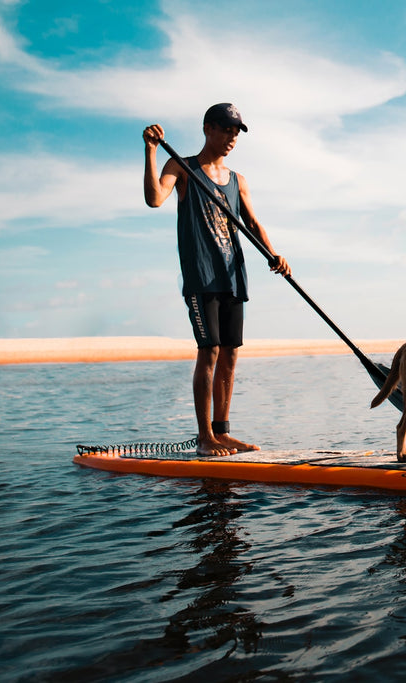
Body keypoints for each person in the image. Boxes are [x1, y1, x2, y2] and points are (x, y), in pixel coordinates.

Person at [142, 103, 290, 457]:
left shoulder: (238, 180)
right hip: (201, 275)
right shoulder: (182, 166)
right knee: (208, 351)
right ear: (209, 128)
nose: (232, 138)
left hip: (233, 274)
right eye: (226, 130)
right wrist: (150, 151)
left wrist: (274, 255)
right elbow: (154, 199)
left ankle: (223, 432)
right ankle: (204, 436)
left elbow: (252, 223)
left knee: (230, 355)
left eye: (237, 132)